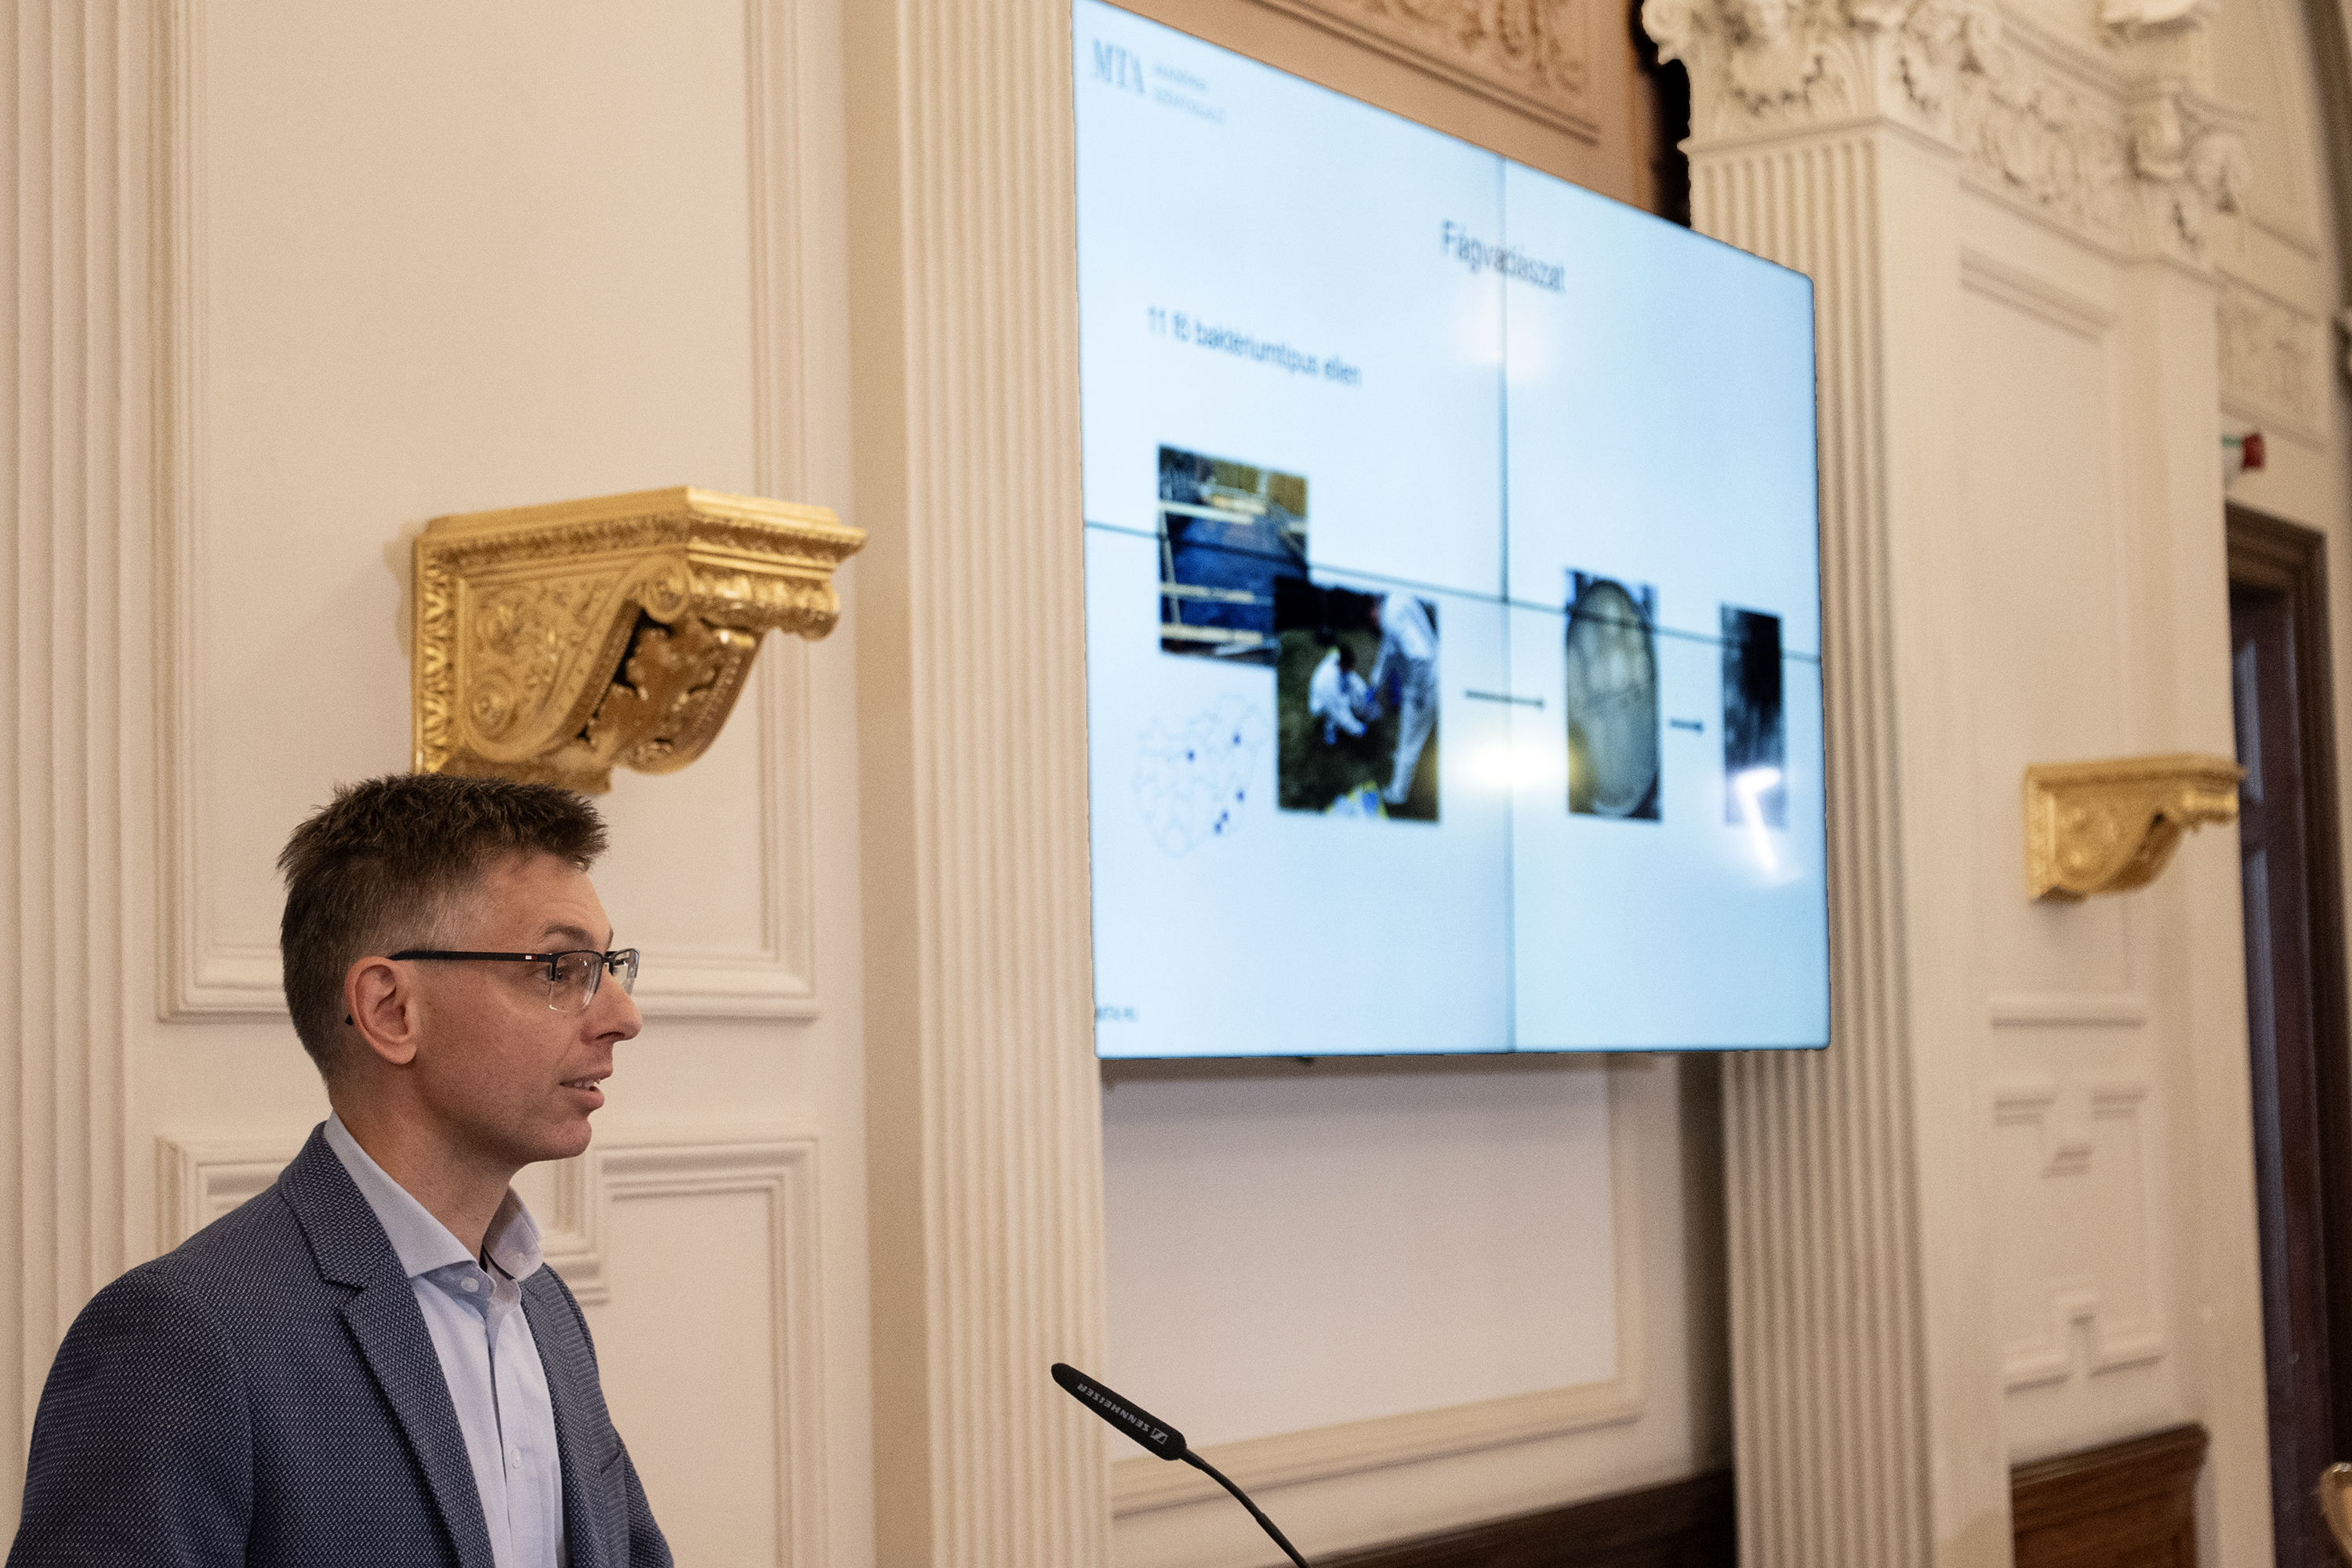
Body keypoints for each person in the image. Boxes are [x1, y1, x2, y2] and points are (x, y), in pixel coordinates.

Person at [9, 773, 670, 1567]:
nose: (623, 1016)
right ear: (390, 1009)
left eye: (610, 966)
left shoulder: (544, 1306)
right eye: (559, 968)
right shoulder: (182, 1340)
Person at [1367, 593, 1439, 806]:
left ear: (1374, 608)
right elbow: (1389, 650)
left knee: (1410, 744)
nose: (1372, 622)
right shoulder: (1396, 599)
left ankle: (1397, 794)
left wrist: (1416, 693)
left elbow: (1420, 656)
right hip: (1436, 671)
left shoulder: (1391, 614)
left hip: (1426, 684)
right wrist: (1376, 682)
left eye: (1370, 617)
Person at [1306, 641, 1374, 744]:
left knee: (1346, 697)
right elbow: (1341, 713)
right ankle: (1329, 734)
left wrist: (1364, 690)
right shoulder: (1331, 683)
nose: (1350, 670)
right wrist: (1358, 729)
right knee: (1334, 713)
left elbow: (1351, 676)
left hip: (1329, 693)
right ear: (1344, 665)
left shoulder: (1337, 659)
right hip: (1319, 705)